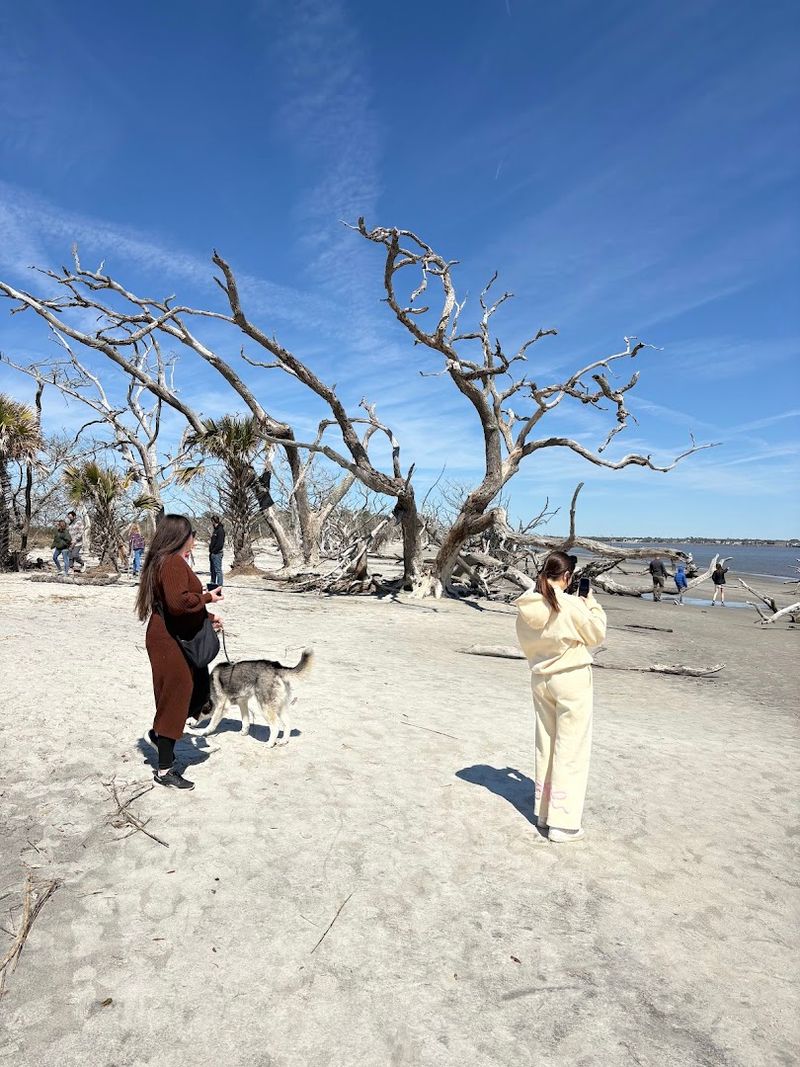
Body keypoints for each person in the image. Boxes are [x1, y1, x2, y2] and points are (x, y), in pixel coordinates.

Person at [515, 551, 607, 843]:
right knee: (571, 748)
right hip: (571, 679)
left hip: (541, 678)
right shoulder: (568, 603)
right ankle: (564, 823)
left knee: (547, 743)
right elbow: (596, 633)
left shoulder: (528, 604)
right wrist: (590, 603)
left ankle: (545, 813)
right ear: (567, 577)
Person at [135, 515, 224, 790]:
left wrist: (206, 617)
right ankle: (164, 769)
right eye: (192, 536)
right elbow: (178, 604)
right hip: (168, 640)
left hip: (171, 634)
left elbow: (178, 605)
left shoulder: (165, 560)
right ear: (180, 536)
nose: (194, 542)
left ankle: (160, 733)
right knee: (177, 695)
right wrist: (208, 597)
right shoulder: (171, 562)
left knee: (193, 692)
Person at [208, 514, 226, 589]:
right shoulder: (215, 530)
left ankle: (219, 584)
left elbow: (220, 544)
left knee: (218, 569)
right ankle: (212, 583)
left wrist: (214, 551)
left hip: (217, 553)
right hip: (212, 553)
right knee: (212, 570)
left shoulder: (220, 530)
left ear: (213, 521)